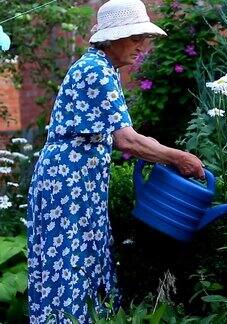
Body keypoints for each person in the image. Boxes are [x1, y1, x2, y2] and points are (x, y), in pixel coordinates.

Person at [26, 0, 204, 322]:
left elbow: (128, 134)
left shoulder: (102, 68)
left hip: (77, 182)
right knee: (69, 262)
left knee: (80, 259)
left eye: (143, 38)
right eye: (136, 37)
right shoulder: (96, 70)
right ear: (112, 38)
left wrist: (165, 152)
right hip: (67, 184)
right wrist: (177, 157)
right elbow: (127, 141)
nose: (142, 46)